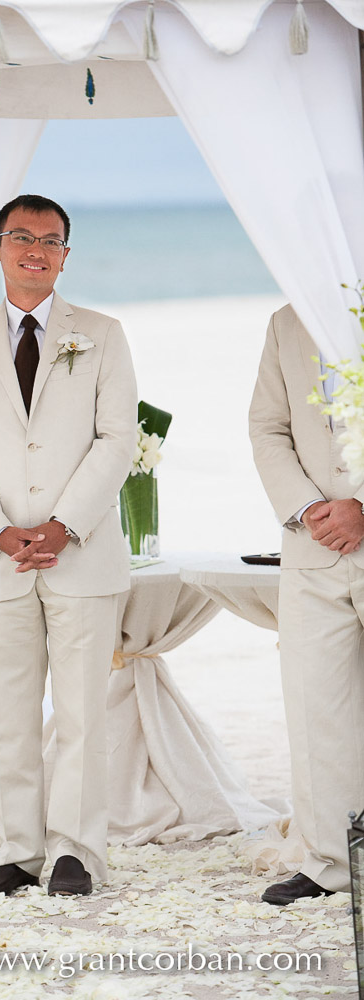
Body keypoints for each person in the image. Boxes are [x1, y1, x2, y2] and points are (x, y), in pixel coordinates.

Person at [0, 194, 137, 896]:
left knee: (83, 712)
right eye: (21, 237)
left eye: (50, 241)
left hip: (82, 554)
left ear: (65, 256)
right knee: (9, 712)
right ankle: (20, 849)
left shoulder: (103, 334)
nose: (35, 250)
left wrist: (64, 524)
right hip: (0, 559)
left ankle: (77, 851)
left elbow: (119, 439)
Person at [249, 303, 364, 905]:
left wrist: (362, 505)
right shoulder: (285, 320)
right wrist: (307, 506)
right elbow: (267, 427)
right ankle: (331, 862)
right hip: (311, 544)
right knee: (317, 705)